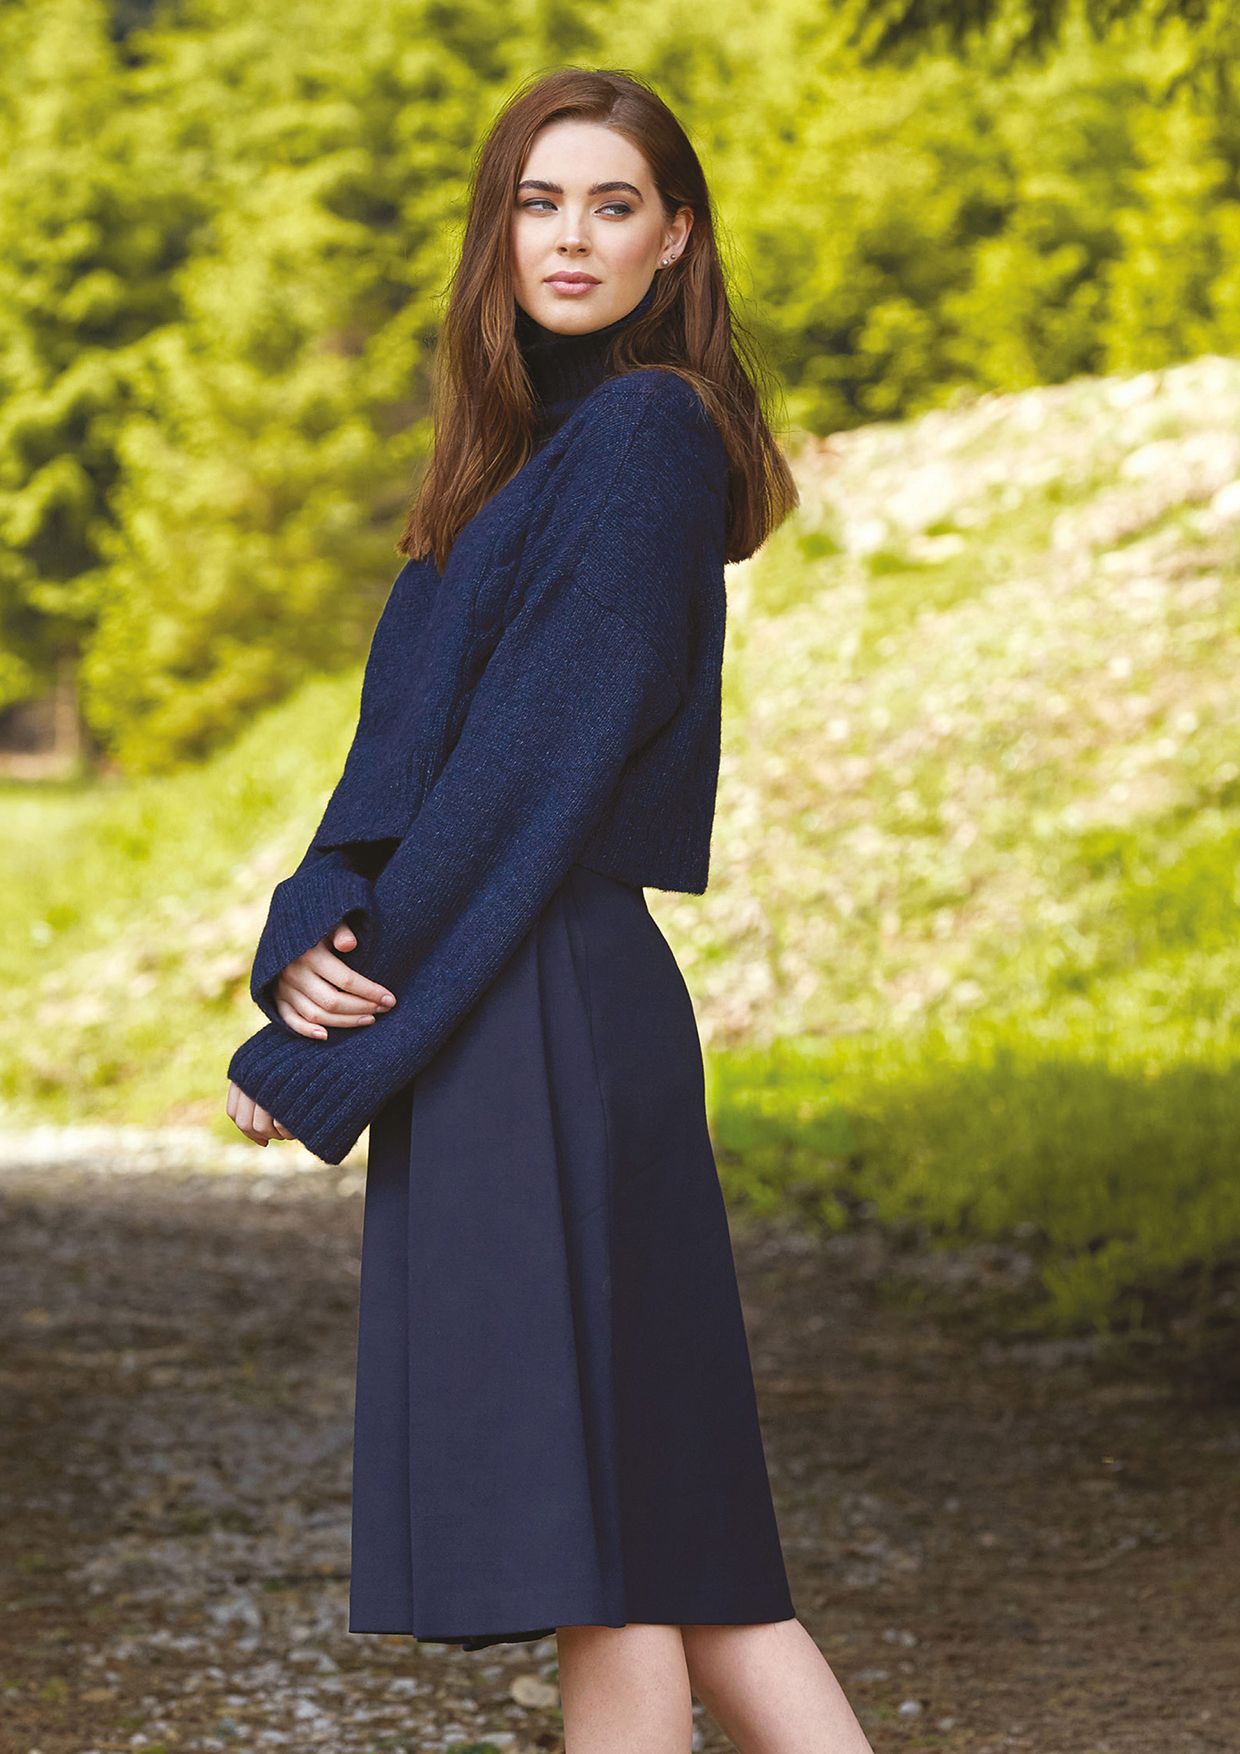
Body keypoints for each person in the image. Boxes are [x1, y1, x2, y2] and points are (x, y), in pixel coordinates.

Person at [225, 64, 874, 1754]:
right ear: (497, 234)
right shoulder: (509, 467)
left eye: (612, 204)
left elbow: (527, 778)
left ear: (676, 240)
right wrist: (308, 921)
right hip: (505, 1003)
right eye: (538, 202)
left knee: (629, 1554)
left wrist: (323, 1049)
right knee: (676, 1562)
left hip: (546, 1004)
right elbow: (396, 770)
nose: (571, 236)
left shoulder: (647, 438)